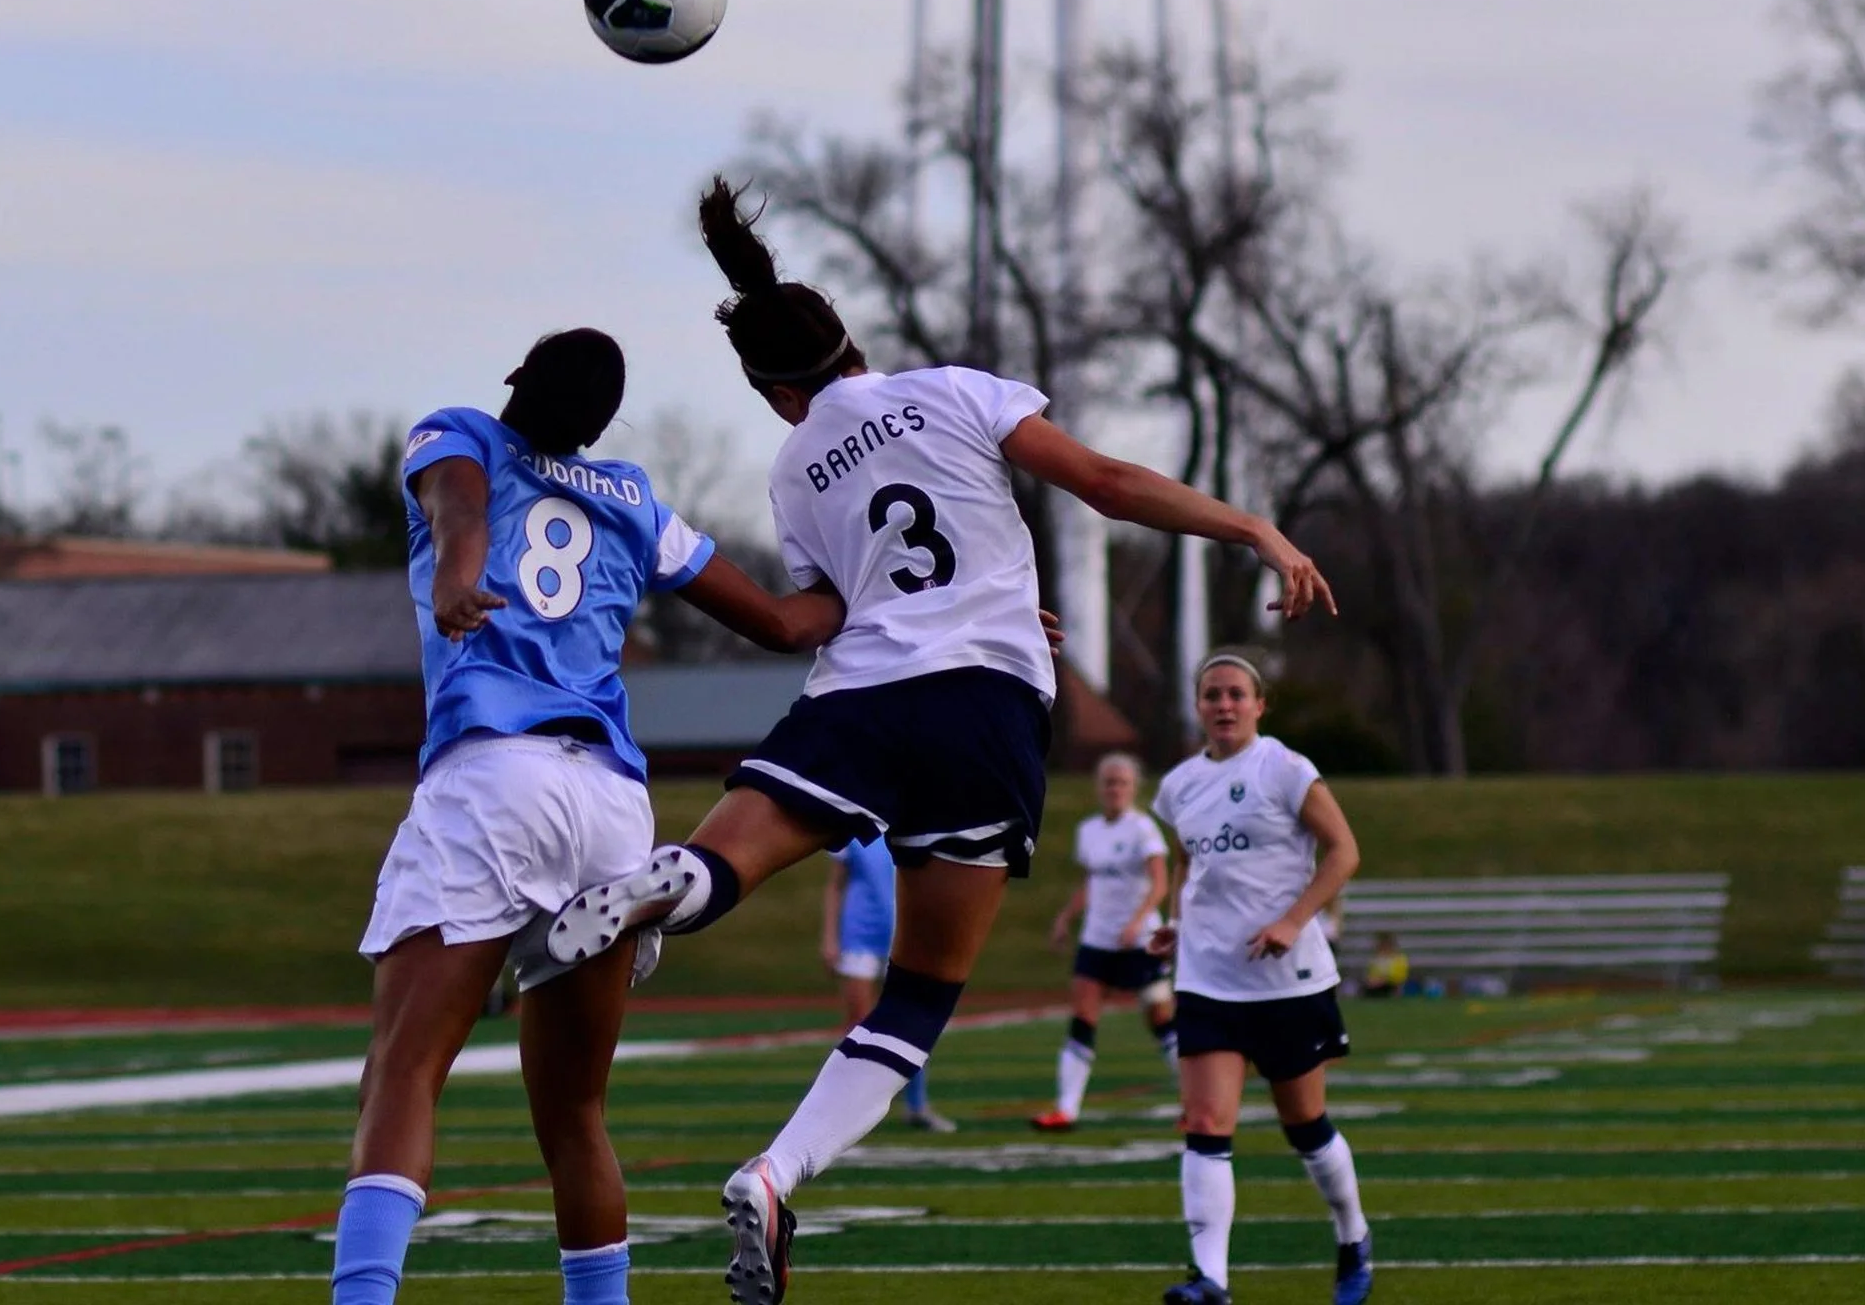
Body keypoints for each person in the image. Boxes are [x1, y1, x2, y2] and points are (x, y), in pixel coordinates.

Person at [538, 179, 1335, 1305]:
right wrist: (1247, 525)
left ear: (774, 393)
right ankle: (777, 1170)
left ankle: (676, 883)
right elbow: (1102, 483)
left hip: (863, 694)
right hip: (990, 708)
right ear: (852, 341)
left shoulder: (791, 466)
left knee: (729, 855)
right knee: (917, 997)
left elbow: (813, 617)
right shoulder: (955, 390)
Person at [332, 328, 856, 1305]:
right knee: (575, 1114)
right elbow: (784, 624)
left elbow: (459, 505)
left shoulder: (459, 433)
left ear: (513, 380)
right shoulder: (631, 496)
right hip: (613, 804)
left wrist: (455, 578)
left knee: (402, 1070)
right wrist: (901, 595)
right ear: (600, 424)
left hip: (496, 776)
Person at [1145, 653, 1371, 1305]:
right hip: (1208, 979)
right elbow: (1189, 863)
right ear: (1199, 706)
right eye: (1212, 695)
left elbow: (1345, 851)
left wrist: (1293, 920)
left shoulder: (1285, 769)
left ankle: (1352, 1233)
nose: (1224, 705)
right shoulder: (1179, 785)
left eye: (1236, 694)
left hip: (1288, 980)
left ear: (1258, 704)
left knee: (1304, 1123)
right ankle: (1211, 1278)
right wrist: (1177, 922)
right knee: (1205, 1120)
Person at [1033, 753, 1177, 1132]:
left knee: (1161, 1020)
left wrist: (1136, 922)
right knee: (1082, 1018)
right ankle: (1066, 1110)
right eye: (1109, 782)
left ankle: (1197, 1104)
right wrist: (1066, 917)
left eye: (1122, 783)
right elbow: (1090, 883)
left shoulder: (1143, 829)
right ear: (1099, 788)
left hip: (1139, 942)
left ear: (1134, 788)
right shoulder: (1089, 831)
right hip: (1097, 939)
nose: (1115, 789)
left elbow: (1160, 883)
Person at [821, 838, 953, 1133]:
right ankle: (844, 1111)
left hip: (905, 931)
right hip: (859, 934)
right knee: (858, 1023)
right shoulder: (855, 825)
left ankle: (917, 1106)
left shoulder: (915, 822)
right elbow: (835, 885)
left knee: (912, 1020)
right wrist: (830, 938)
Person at [1359, 932, 1409, 999]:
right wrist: (1372, 979)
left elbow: (1400, 976)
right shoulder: (1376, 959)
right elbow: (1371, 973)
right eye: (1382, 945)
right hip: (1377, 983)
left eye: (1386, 945)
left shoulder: (1399, 958)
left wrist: (1384, 979)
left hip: (1392, 983)